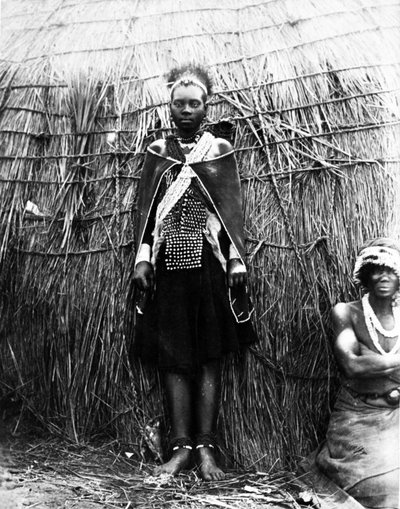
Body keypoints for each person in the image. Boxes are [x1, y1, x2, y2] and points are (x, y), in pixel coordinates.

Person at [132, 64, 254, 480]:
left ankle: (206, 450)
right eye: (179, 104)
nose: (186, 110)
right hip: (168, 269)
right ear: (169, 107)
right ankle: (180, 448)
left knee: (208, 358)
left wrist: (236, 258)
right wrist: (143, 259)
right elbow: (147, 215)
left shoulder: (218, 151)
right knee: (173, 359)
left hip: (207, 267)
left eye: (194, 104)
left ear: (207, 107)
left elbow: (230, 211)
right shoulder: (159, 152)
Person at [315, 238, 400, 508]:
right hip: (358, 416)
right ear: (365, 275)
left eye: (392, 270)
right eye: (377, 268)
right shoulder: (346, 312)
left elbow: (366, 364)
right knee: (384, 490)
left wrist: (376, 361)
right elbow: (352, 365)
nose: (384, 276)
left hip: (396, 417)